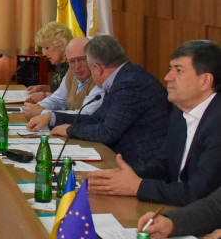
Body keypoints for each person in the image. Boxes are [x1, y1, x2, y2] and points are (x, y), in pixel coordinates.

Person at [86, 40, 221, 206]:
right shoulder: (180, 112)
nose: (167, 77)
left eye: (178, 70)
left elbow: (197, 193)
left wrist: (137, 186)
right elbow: (164, 167)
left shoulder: (217, 124)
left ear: (205, 81)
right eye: (171, 69)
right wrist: (120, 176)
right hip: (175, 207)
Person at [50, 35, 171, 168]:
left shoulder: (129, 84)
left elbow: (107, 132)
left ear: (97, 68)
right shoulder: (122, 78)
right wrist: (53, 117)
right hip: (127, 158)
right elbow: (96, 118)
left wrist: (70, 130)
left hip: (144, 167)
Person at [25, 36, 104, 130]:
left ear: (92, 58)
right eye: (71, 61)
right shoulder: (71, 73)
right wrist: (39, 106)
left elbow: (85, 115)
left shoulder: (100, 80)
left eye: (81, 59)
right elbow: (58, 99)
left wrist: (43, 113)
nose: (76, 66)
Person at [26, 21, 74, 103]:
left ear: (61, 44)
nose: (44, 53)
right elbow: (58, 89)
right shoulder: (60, 64)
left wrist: (44, 95)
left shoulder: (73, 67)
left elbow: (70, 100)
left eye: (47, 48)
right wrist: (42, 88)